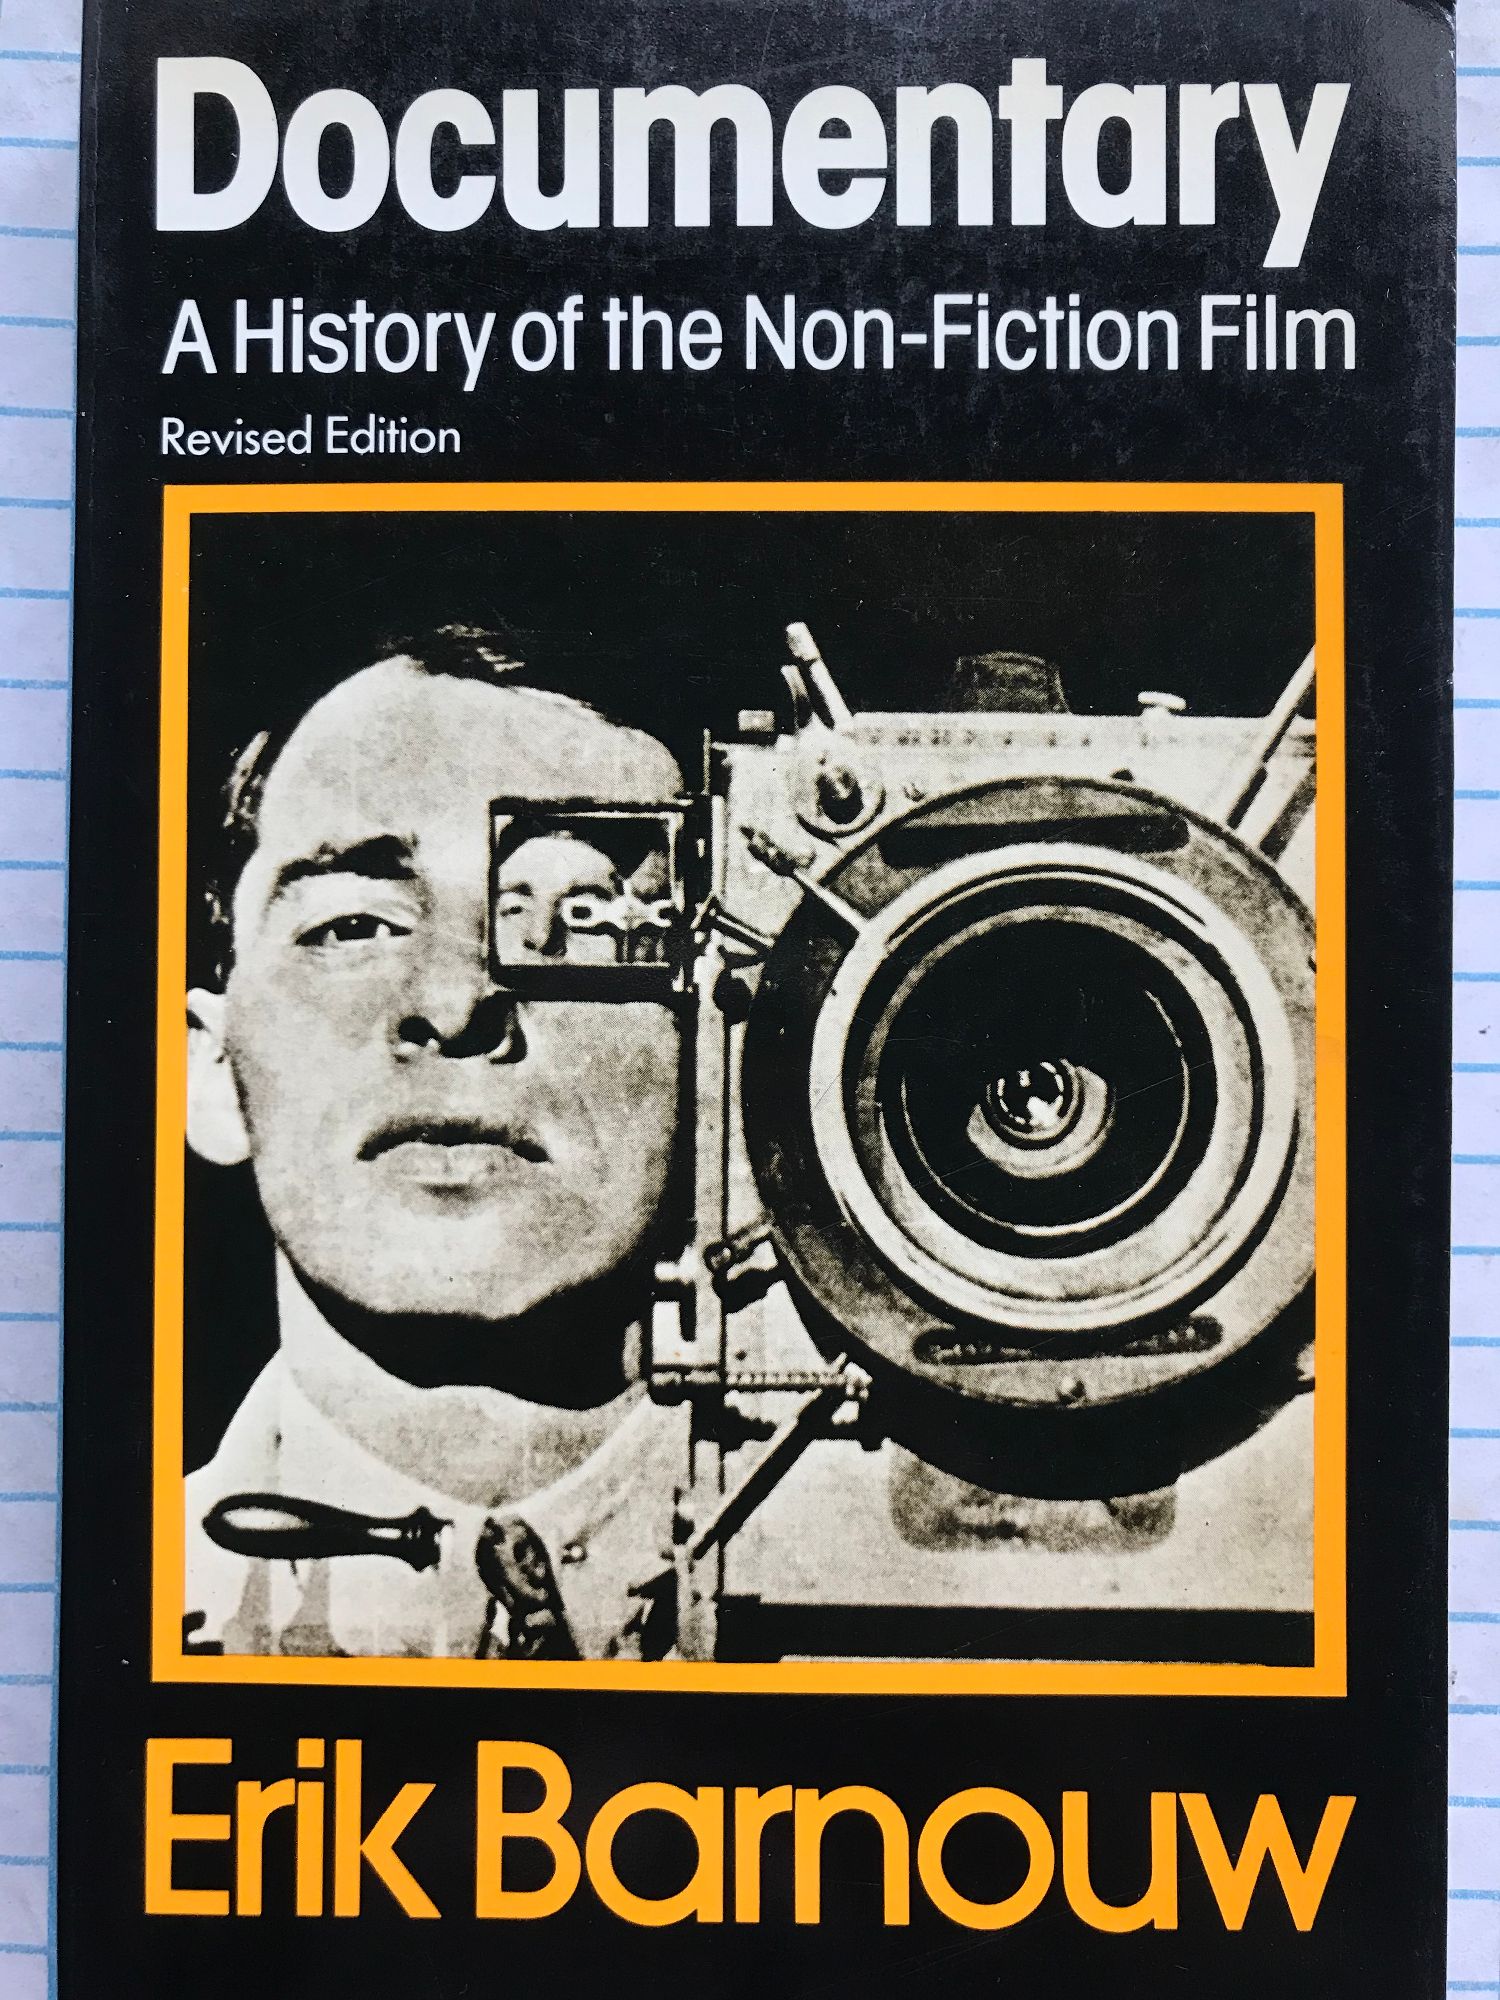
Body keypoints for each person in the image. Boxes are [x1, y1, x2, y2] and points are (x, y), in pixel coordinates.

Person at [182, 626, 691, 1660]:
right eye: (353, 925)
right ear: (210, 1073)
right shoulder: (86, 1620)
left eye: (584, 915)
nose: (457, 1003)